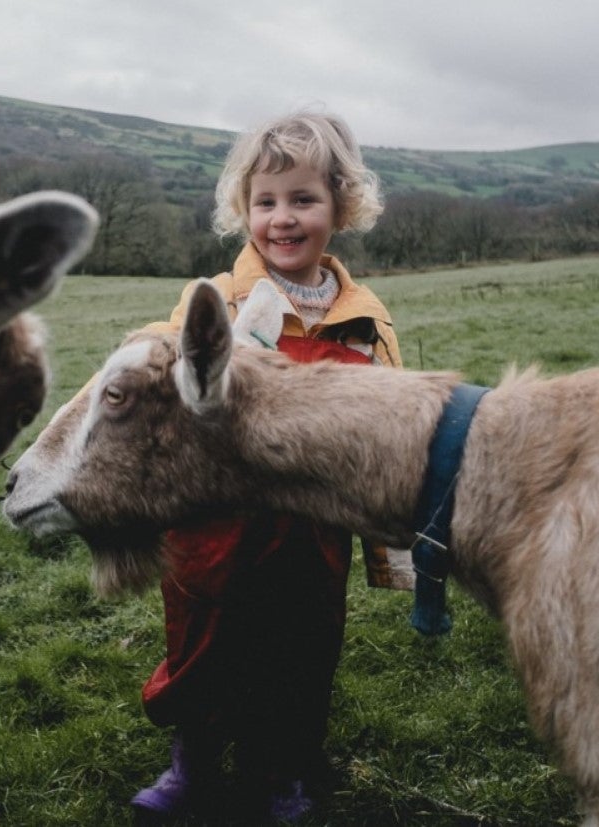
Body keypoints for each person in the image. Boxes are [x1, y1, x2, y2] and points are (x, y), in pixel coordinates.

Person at [129, 110, 402, 824]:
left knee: (301, 655)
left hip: (312, 538)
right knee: (201, 643)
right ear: (244, 209)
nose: (283, 219)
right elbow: (157, 365)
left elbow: (389, 429)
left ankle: (283, 770)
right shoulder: (216, 301)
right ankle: (192, 761)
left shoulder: (363, 321)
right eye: (266, 201)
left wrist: (391, 545)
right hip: (212, 531)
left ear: (340, 204)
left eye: (303, 199)